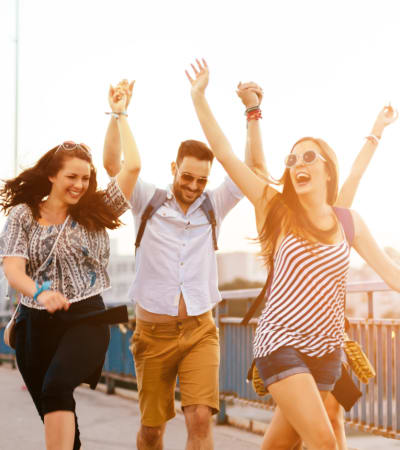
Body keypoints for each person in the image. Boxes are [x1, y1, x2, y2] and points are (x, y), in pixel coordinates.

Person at [186, 58, 400, 450]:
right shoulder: (277, 210)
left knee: (281, 445)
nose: (298, 164)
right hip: (280, 343)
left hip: (327, 353)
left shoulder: (347, 221)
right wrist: (199, 96)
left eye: (308, 157)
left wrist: (375, 132)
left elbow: (391, 274)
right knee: (325, 443)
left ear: (326, 171)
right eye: (292, 159)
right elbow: (228, 155)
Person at [102, 79, 263, 449]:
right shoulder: (148, 200)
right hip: (152, 334)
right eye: (187, 176)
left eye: (202, 180)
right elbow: (114, 165)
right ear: (174, 167)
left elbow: (250, 167)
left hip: (200, 332)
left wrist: (252, 112)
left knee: (202, 420)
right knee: (153, 431)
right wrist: (117, 113)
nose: (193, 186)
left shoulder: (213, 206)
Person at [0, 81, 140, 450]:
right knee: (57, 411)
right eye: (71, 177)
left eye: (86, 177)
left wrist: (120, 113)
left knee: (58, 386)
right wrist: (41, 293)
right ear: (52, 176)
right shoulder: (22, 215)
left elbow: (134, 166)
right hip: (35, 324)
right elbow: (14, 271)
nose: (80, 185)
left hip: (86, 318)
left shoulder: (96, 210)